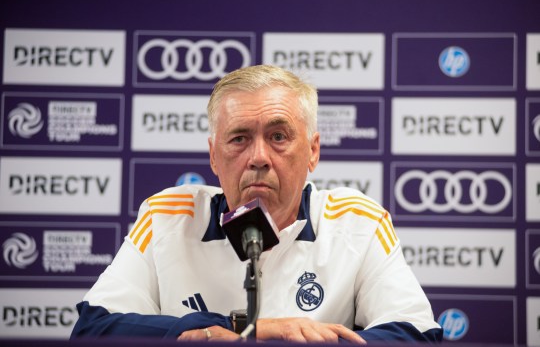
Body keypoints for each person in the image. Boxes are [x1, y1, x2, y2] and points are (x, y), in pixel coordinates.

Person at [71, 65, 442, 343]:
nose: (259, 157)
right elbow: (94, 330)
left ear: (312, 152)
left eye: (278, 136)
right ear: (214, 156)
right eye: (239, 139)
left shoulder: (358, 223)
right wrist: (238, 331)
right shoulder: (167, 217)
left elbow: (416, 334)